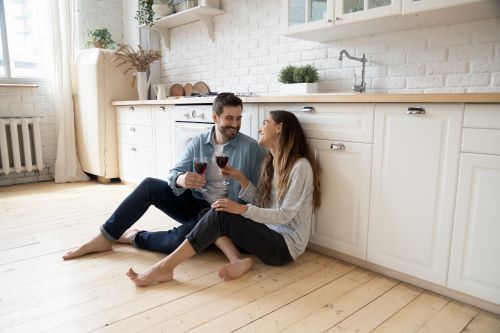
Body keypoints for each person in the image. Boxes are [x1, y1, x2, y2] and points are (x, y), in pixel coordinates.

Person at [126, 110, 321, 286]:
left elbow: (285, 215)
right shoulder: (271, 163)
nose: (260, 128)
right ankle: (236, 259)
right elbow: (265, 204)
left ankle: (164, 267)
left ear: (279, 128)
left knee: (220, 214)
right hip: (269, 233)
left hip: (284, 247)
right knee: (211, 210)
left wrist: (242, 209)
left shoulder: (300, 167)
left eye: (265, 122)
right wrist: (241, 178)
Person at [63, 93, 265, 260]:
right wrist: (181, 180)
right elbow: (174, 173)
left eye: (239, 118)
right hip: (196, 203)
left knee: (176, 243)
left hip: (221, 214)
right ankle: (105, 236)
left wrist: (242, 184)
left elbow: (262, 194)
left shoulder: (251, 148)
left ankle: (135, 236)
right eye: (229, 118)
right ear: (215, 117)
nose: (235, 124)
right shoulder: (199, 142)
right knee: (150, 185)